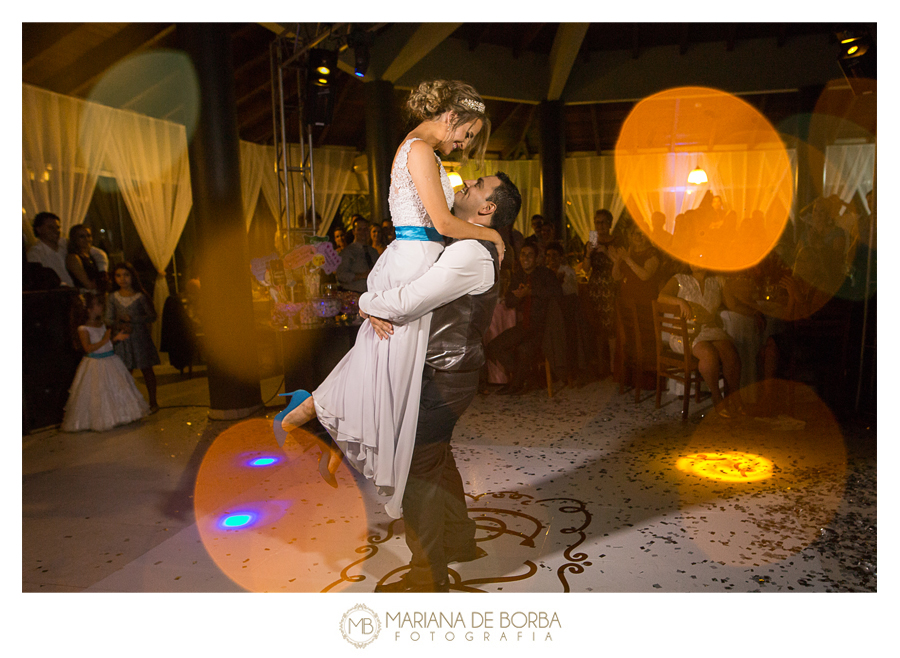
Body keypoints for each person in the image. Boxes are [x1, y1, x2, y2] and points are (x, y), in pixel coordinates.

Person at [278, 80, 505, 519]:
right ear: (451, 116)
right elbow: (441, 220)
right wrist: (489, 232)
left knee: (379, 372)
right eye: (469, 132)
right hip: (414, 260)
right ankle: (315, 419)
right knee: (386, 377)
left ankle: (316, 422)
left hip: (415, 258)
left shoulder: (422, 150)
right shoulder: (420, 149)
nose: (465, 143)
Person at [353, 172, 521, 592]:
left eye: (477, 185)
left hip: (444, 375)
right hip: (449, 371)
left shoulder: (471, 253)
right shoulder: (474, 245)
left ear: (488, 209)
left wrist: (364, 302)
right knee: (436, 459)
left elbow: (409, 303)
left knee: (417, 471)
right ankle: (460, 540)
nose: (466, 185)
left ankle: (427, 577)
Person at [657, 262, 743, 418]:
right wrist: (680, 302)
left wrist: (756, 313)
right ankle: (717, 398)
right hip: (684, 333)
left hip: (710, 330)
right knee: (708, 354)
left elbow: (733, 305)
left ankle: (734, 396)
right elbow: (661, 297)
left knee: (730, 352)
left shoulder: (718, 281)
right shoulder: (680, 279)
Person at [61, 292, 150, 432]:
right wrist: (105, 339)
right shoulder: (83, 328)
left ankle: (122, 415)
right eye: (98, 304)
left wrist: (116, 338)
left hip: (110, 360)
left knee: (117, 389)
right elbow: (88, 348)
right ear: (89, 309)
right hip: (95, 364)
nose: (101, 306)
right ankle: (100, 419)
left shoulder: (101, 324)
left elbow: (107, 344)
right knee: (98, 392)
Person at [486, 242, 563, 394]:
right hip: (524, 326)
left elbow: (557, 293)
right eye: (522, 254)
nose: (525, 258)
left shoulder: (545, 274)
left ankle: (517, 383)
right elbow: (509, 301)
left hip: (544, 327)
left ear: (537, 258)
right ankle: (523, 377)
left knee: (524, 349)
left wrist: (531, 292)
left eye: (529, 255)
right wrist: (519, 297)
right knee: (494, 347)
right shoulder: (518, 276)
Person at [105, 262, 161, 412]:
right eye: (118, 275)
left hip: (140, 338)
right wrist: (119, 323)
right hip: (123, 339)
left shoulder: (140, 296)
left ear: (132, 276)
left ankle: (153, 401)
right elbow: (107, 319)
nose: (122, 279)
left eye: (126, 275)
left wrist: (134, 318)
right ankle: (127, 404)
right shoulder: (112, 297)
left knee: (146, 370)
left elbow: (152, 316)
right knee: (125, 372)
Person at [581, 209, 618, 377]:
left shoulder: (617, 240)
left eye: (603, 222)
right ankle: (599, 364)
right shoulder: (592, 240)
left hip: (610, 286)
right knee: (596, 326)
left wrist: (606, 253)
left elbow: (620, 264)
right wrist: (588, 254)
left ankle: (612, 364)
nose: (600, 225)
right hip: (595, 286)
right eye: (597, 222)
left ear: (610, 224)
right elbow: (586, 269)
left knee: (611, 326)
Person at [26, 212, 74, 286]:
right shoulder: (35, 254)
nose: (56, 231)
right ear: (39, 230)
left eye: (58, 227)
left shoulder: (65, 245)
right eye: (50, 227)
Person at [335, 215, 380, 293]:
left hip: (372, 294)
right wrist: (361, 276)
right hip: (353, 295)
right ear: (353, 232)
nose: (363, 232)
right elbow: (341, 275)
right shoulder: (347, 252)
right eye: (359, 229)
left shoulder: (373, 252)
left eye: (365, 229)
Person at [66, 224, 107, 291]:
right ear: (74, 239)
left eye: (88, 236)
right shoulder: (73, 258)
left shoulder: (90, 255)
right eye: (82, 236)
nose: (87, 239)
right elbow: (87, 284)